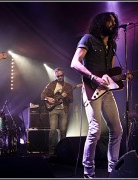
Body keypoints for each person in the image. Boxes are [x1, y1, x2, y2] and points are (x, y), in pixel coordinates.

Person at [71, 12, 124, 178]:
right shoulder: (88, 39)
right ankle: (88, 172)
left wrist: (120, 77)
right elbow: (74, 63)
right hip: (90, 88)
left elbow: (108, 73)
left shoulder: (113, 45)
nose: (113, 24)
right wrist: (94, 77)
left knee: (117, 129)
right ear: (101, 22)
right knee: (95, 130)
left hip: (106, 91)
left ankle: (112, 170)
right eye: (110, 21)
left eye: (115, 21)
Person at [41, 67, 73, 155]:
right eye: (58, 76)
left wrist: (66, 96)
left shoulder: (69, 86)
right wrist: (48, 98)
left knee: (63, 131)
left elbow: (71, 100)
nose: (60, 77)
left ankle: (63, 150)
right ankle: (51, 151)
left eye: (61, 75)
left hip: (64, 110)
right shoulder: (51, 85)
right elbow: (42, 95)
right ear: (55, 76)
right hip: (53, 109)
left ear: (64, 75)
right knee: (53, 130)